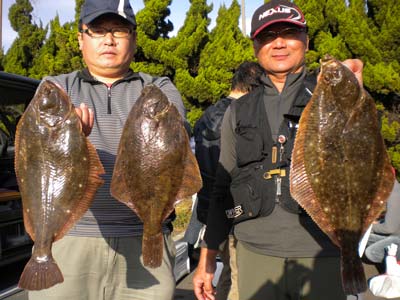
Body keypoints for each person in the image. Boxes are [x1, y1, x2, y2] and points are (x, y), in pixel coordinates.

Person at [192, 1, 364, 300]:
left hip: (322, 254)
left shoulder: (335, 94)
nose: (279, 43)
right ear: (256, 46)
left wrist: (355, 94)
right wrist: (207, 257)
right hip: (254, 253)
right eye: (267, 36)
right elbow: (222, 187)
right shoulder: (239, 110)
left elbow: (364, 161)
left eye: (289, 32)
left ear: (306, 41)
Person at [29, 1, 185, 299]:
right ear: (80, 39)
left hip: (144, 237)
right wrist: (72, 140)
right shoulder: (55, 89)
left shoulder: (158, 89)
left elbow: (175, 146)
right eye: (98, 30)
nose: (109, 39)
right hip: (71, 237)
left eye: (119, 30)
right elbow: (37, 160)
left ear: (134, 39)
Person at [192, 61, 265, 300]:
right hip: (236, 211)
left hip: (209, 211)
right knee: (242, 280)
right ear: (254, 87)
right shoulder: (243, 117)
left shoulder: (206, 115)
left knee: (229, 273)